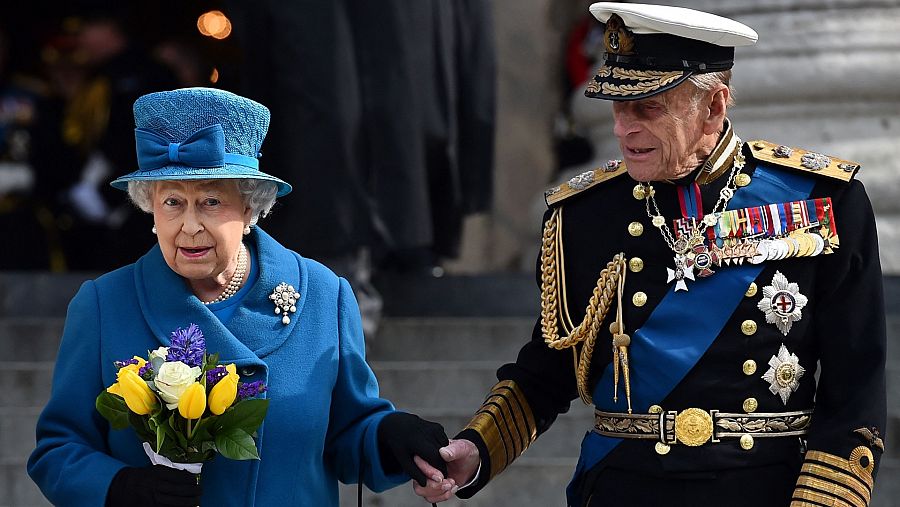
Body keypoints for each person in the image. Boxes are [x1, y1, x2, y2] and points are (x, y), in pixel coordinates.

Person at [414, 3, 886, 506]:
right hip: (622, 485)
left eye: (647, 107)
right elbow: (548, 371)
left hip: (761, 488)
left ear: (714, 106)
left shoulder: (821, 201)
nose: (622, 129)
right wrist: (477, 448)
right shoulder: (583, 214)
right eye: (618, 107)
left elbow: (855, 389)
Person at [26, 87, 450, 507]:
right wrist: (120, 487)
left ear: (250, 208)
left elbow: (348, 433)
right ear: (150, 209)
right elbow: (58, 451)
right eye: (172, 202)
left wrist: (391, 435)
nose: (189, 226)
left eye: (210, 201)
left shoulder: (324, 294)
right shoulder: (103, 304)